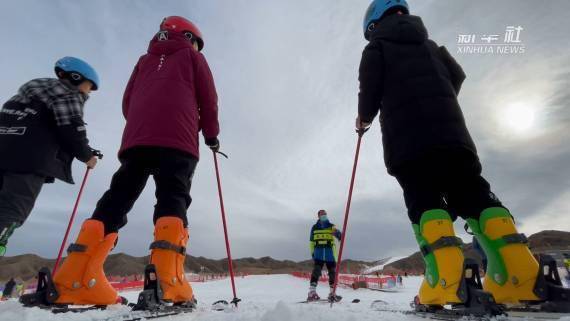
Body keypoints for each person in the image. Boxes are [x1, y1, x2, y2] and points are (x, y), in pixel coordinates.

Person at [357, 0, 558, 309]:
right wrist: (439, 102)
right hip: (454, 138)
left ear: (373, 25)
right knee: (475, 195)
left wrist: (364, 119)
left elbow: (369, 89)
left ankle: (445, 282)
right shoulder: (434, 47)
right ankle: (520, 275)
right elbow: (457, 76)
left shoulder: (377, 48)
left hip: (410, 142)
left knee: (424, 200)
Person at [46, 16, 220, 307]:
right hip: (178, 140)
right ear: (190, 38)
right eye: (196, 44)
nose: (196, 49)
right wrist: (211, 135)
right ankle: (168, 283)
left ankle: (75, 277)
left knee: (117, 198)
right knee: (172, 196)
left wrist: (144, 124)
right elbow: (208, 98)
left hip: (137, 141)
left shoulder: (143, 60)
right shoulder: (193, 58)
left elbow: (128, 102)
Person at [0, 57, 100, 257]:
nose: (88, 92)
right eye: (89, 86)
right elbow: (72, 129)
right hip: (28, 161)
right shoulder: (67, 94)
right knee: (12, 209)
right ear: (76, 77)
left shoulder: (22, 96)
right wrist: (87, 156)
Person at [307, 209, 342, 302]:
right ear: (318, 216)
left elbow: (339, 235)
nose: (324, 215)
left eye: (325, 214)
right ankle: (312, 292)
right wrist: (312, 253)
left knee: (332, 273)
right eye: (322, 214)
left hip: (330, 253)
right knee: (316, 271)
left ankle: (332, 293)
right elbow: (311, 242)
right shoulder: (314, 227)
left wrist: (338, 234)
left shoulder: (331, 226)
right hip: (318, 253)